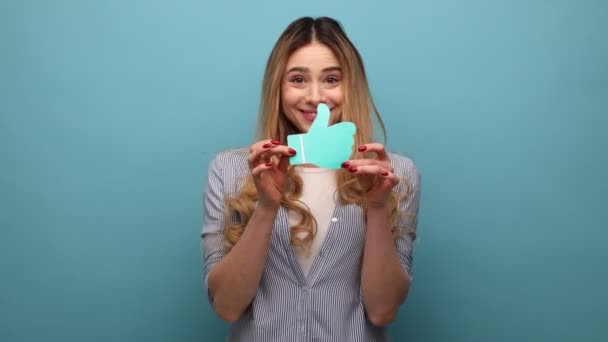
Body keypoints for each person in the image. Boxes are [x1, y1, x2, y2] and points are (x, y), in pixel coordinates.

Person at [201, 16, 420, 341]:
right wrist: (266, 207)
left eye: (332, 79)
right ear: (277, 86)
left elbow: (382, 310)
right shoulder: (231, 170)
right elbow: (227, 307)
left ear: (352, 85)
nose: (316, 96)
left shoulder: (395, 174)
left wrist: (376, 208)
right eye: (298, 79)